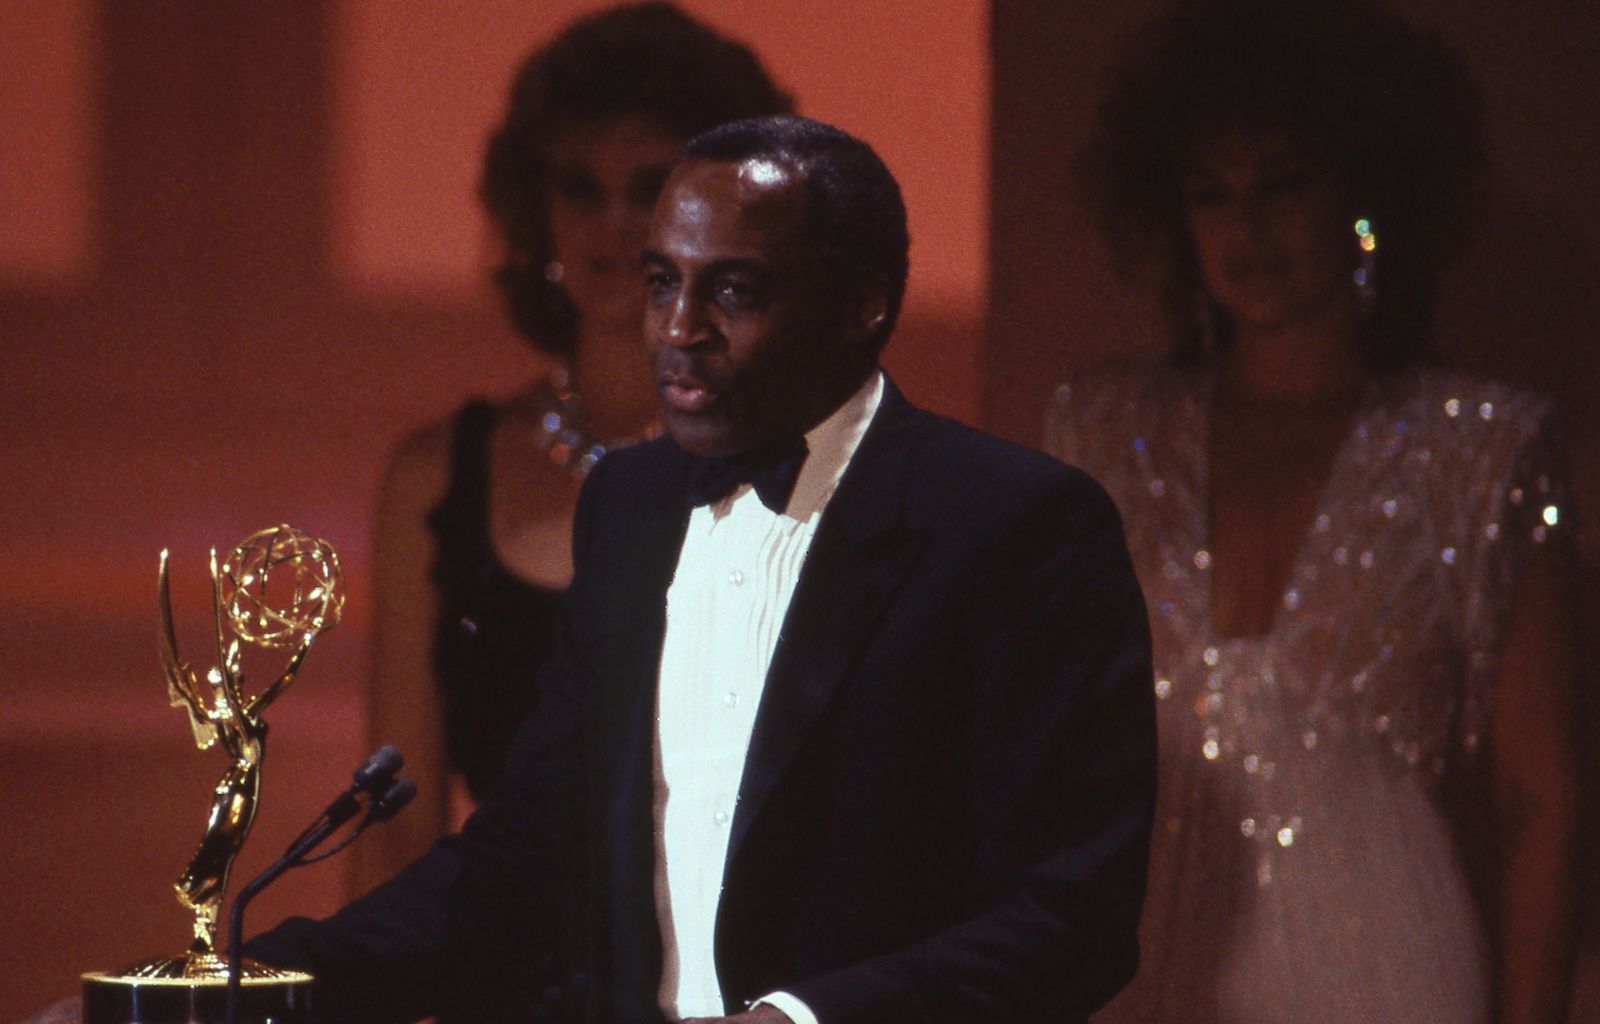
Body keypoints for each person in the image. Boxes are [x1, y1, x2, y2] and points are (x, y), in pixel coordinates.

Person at [250, 116, 1158, 1024]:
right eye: (661, 283)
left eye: (733, 290)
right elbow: (527, 852)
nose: (678, 329)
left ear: (864, 303)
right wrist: (255, 986)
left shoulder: (1014, 523)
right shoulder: (629, 508)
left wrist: (798, 1021)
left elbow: (1071, 916)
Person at [1048, 2, 1581, 1021]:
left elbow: (1539, 800)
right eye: (1210, 192)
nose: (1243, 226)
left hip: (1384, 958)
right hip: (1145, 952)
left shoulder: (1479, 448)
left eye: (1281, 183)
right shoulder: (1102, 429)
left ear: (1365, 197)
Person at [355, 3, 793, 902]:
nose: (614, 224)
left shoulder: (795, 468)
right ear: (535, 213)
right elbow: (393, 841)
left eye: (650, 188)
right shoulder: (437, 480)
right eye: (579, 188)